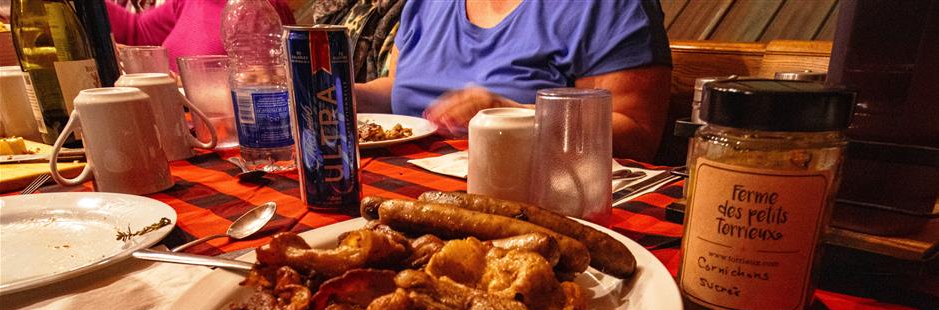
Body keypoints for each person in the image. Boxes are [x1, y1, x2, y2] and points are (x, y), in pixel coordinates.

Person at [354, 0, 672, 162]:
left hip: (533, 202)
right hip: (409, 189)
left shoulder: (605, 7)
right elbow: (399, 88)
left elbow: (636, 136)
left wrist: (513, 114)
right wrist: (345, 94)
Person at [104, 0, 295, 68]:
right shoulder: (189, 1)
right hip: (182, 126)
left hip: (223, 135)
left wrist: (179, 85)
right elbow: (136, 30)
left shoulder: (259, 9)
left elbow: (259, 85)